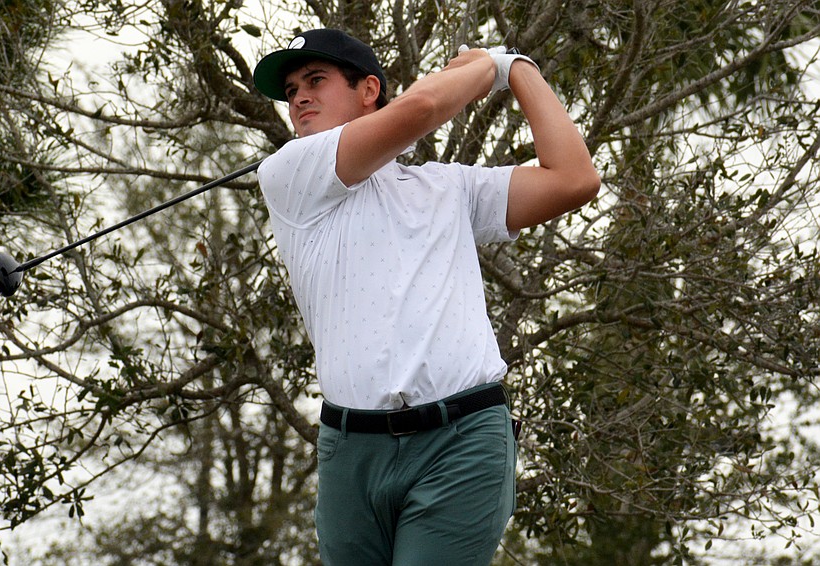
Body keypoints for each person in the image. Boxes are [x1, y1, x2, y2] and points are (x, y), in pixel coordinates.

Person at [252, 28, 600, 566]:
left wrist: (517, 68)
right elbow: (422, 108)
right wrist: (486, 66)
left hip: (461, 441)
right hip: (350, 452)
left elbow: (574, 177)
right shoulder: (288, 174)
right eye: (292, 88)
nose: (299, 97)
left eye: (315, 80)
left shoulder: (448, 187)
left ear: (368, 89)